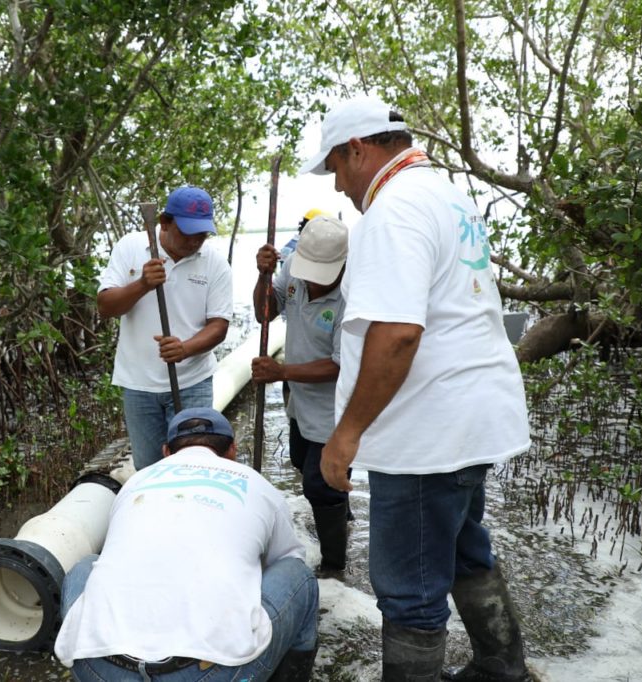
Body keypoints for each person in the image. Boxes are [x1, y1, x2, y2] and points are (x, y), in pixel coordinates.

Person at [299, 95, 533, 681]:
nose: (337, 188)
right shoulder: (447, 193)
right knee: (462, 547)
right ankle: (501, 667)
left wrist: (345, 435)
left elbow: (398, 334)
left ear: (358, 149)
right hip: (472, 419)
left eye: (335, 169)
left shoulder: (394, 208)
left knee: (407, 589)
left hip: (428, 434)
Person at [54, 407, 319, 682]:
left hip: (100, 667)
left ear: (167, 452)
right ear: (232, 451)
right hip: (209, 672)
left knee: (85, 565)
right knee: (300, 577)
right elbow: (285, 560)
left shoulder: (135, 483)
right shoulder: (259, 486)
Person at [97, 186, 232, 471]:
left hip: (192, 382)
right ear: (164, 222)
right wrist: (143, 284)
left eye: (202, 234)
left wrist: (185, 348)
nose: (195, 240)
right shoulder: (131, 247)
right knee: (149, 469)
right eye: (187, 232)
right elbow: (106, 306)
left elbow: (219, 325)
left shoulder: (215, 263)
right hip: (138, 385)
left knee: (193, 466)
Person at [251, 215, 351, 573]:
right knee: (300, 460)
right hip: (299, 395)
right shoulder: (294, 266)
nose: (310, 281)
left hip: (336, 405)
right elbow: (266, 311)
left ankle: (335, 565)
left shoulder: (353, 293)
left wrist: (282, 371)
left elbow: (341, 364)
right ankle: (343, 508)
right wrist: (263, 275)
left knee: (318, 484)